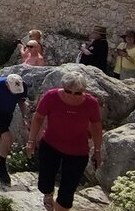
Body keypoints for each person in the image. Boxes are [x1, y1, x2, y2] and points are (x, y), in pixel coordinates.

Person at [26, 71, 103, 211]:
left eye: (78, 93)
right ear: (63, 87)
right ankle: (48, 194)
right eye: (69, 91)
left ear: (83, 91)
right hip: (51, 144)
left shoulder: (91, 103)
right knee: (45, 181)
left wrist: (97, 151)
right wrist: (31, 141)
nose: (73, 95)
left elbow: (97, 127)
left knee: (68, 191)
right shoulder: (51, 96)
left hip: (78, 151)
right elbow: (38, 118)